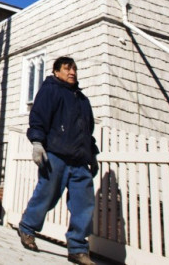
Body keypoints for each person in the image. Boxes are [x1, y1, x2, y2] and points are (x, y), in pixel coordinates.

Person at [17, 57, 99, 265]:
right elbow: (38, 117)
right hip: (56, 155)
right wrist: (37, 143)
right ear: (56, 72)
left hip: (80, 160)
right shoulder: (50, 91)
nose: (72, 72)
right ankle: (27, 227)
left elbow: (87, 132)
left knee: (84, 204)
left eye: (74, 68)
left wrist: (93, 155)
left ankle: (78, 248)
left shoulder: (82, 100)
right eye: (67, 68)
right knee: (47, 195)